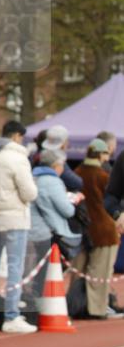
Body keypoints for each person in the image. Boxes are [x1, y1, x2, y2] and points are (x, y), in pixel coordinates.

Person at [0, 120, 38, 334]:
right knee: (15, 268)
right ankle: (11, 316)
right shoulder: (18, 158)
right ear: (16, 136)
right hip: (14, 219)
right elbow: (29, 192)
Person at [26, 149, 82, 310]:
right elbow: (67, 210)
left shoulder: (33, 177)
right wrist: (73, 200)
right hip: (49, 231)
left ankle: (35, 306)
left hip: (31, 228)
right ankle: (43, 308)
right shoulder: (53, 181)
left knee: (34, 270)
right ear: (56, 165)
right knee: (48, 272)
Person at [76, 139, 121, 318]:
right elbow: (113, 200)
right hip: (104, 230)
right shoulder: (103, 176)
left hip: (82, 229)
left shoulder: (77, 173)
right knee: (100, 273)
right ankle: (97, 309)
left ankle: (78, 306)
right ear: (101, 154)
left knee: (80, 271)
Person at [40, 125, 83, 192]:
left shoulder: (40, 157)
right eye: (66, 140)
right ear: (63, 143)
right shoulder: (58, 160)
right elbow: (77, 183)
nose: (67, 143)